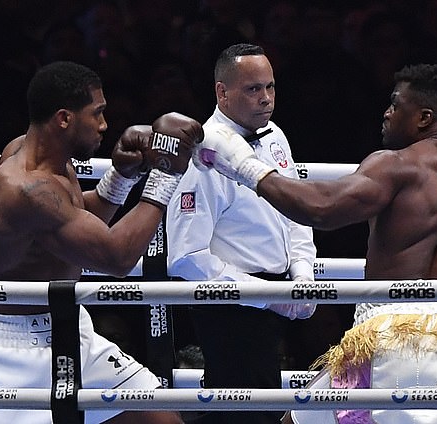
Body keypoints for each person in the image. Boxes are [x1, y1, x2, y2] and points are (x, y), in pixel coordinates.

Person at [193, 63, 437, 423]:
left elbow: (320, 209)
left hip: (389, 336)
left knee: (294, 420)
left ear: (424, 118)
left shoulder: (395, 166)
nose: (386, 113)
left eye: (396, 105)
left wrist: (242, 162)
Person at [0, 60, 203, 424]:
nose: (105, 125)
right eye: (97, 113)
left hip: (65, 323)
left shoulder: (48, 162)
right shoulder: (26, 188)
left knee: (160, 417)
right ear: (64, 119)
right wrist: (165, 176)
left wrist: (122, 176)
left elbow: (75, 222)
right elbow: (116, 257)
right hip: (8, 350)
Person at [166, 43, 317, 424]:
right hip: (232, 306)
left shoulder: (274, 135)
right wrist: (265, 296)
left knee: (283, 407)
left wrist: (303, 274)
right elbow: (185, 256)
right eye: (253, 89)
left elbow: (295, 210)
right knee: (245, 413)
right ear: (222, 92)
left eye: (270, 87)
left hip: (278, 294)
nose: (266, 99)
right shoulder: (202, 158)